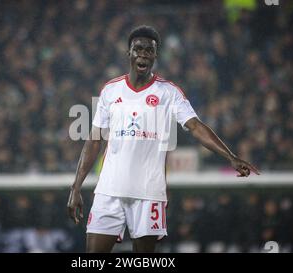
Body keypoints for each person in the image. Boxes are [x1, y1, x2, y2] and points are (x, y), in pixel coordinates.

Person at [67, 25, 259, 253]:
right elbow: (94, 140)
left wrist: (231, 156)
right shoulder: (111, 90)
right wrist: (76, 187)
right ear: (128, 53)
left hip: (149, 193)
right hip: (109, 191)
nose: (143, 54)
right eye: (138, 49)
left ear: (155, 56)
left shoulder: (169, 93)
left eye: (149, 50)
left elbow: (196, 126)